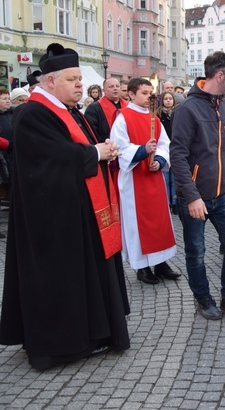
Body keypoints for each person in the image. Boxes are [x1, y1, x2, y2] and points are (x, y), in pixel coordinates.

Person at [0, 43, 129, 370]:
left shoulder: (68, 111)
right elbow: (52, 158)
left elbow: (80, 148)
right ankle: (61, 346)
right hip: (52, 220)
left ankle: (93, 333)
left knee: (83, 276)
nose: (79, 85)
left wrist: (103, 149)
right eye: (72, 79)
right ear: (49, 81)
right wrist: (97, 153)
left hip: (76, 211)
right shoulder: (33, 113)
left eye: (79, 79)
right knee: (60, 281)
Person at [170, 51, 225, 322]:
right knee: (196, 251)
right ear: (220, 75)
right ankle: (203, 298)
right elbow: (178, 156)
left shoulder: (224, 106)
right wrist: (192, 195)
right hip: (195, 198)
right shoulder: (186, 109)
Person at [111, 78, 181, 285]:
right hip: (133, 179)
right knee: (137, 224)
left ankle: (161, 263)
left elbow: (164, 144)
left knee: (159, 220)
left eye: (150, 93)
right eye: (143, 93)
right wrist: (142, 150)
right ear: (131, 94)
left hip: (153, 177)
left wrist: (158, 160)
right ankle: (142, 267)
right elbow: (119, 148)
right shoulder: (122, 118)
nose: (148, 97)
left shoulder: (155, 119)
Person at [157, 91, 179, 211]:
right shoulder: (159, 114)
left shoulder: (178, 113)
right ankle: (166, 201)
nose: (168, 101)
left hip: (175, 146)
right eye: (166, 99)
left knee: (174, 177)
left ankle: (175, 201)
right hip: (164, 147)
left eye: (170, 98)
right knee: (165, 177)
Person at [85, 77, 123, 142]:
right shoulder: (94, 108)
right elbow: (91, 132)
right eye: (111, 87)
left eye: (117, 86)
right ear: (104, 90)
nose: (115, 88)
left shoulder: (128, 106)